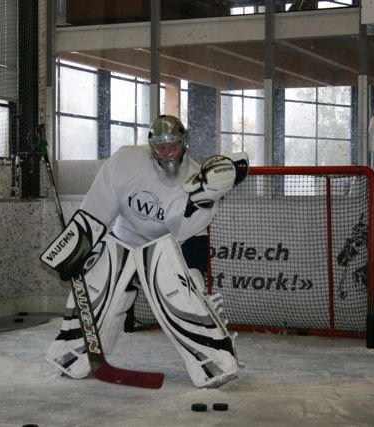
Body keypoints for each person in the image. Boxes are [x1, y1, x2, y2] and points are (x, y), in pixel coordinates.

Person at [40, 115, 247, 388]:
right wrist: (77, 246)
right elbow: (98, 207)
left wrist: (201, 201)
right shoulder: (125, 161)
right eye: (161, 147)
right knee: (94, 287)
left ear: (184, 142)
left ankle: (213, 362)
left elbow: (185, 231)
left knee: (183, 296)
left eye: (173, 145)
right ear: (151, 147)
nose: (167, 152)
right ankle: (73, 354)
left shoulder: (198, 179)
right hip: (124, 239)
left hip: (170, 247)